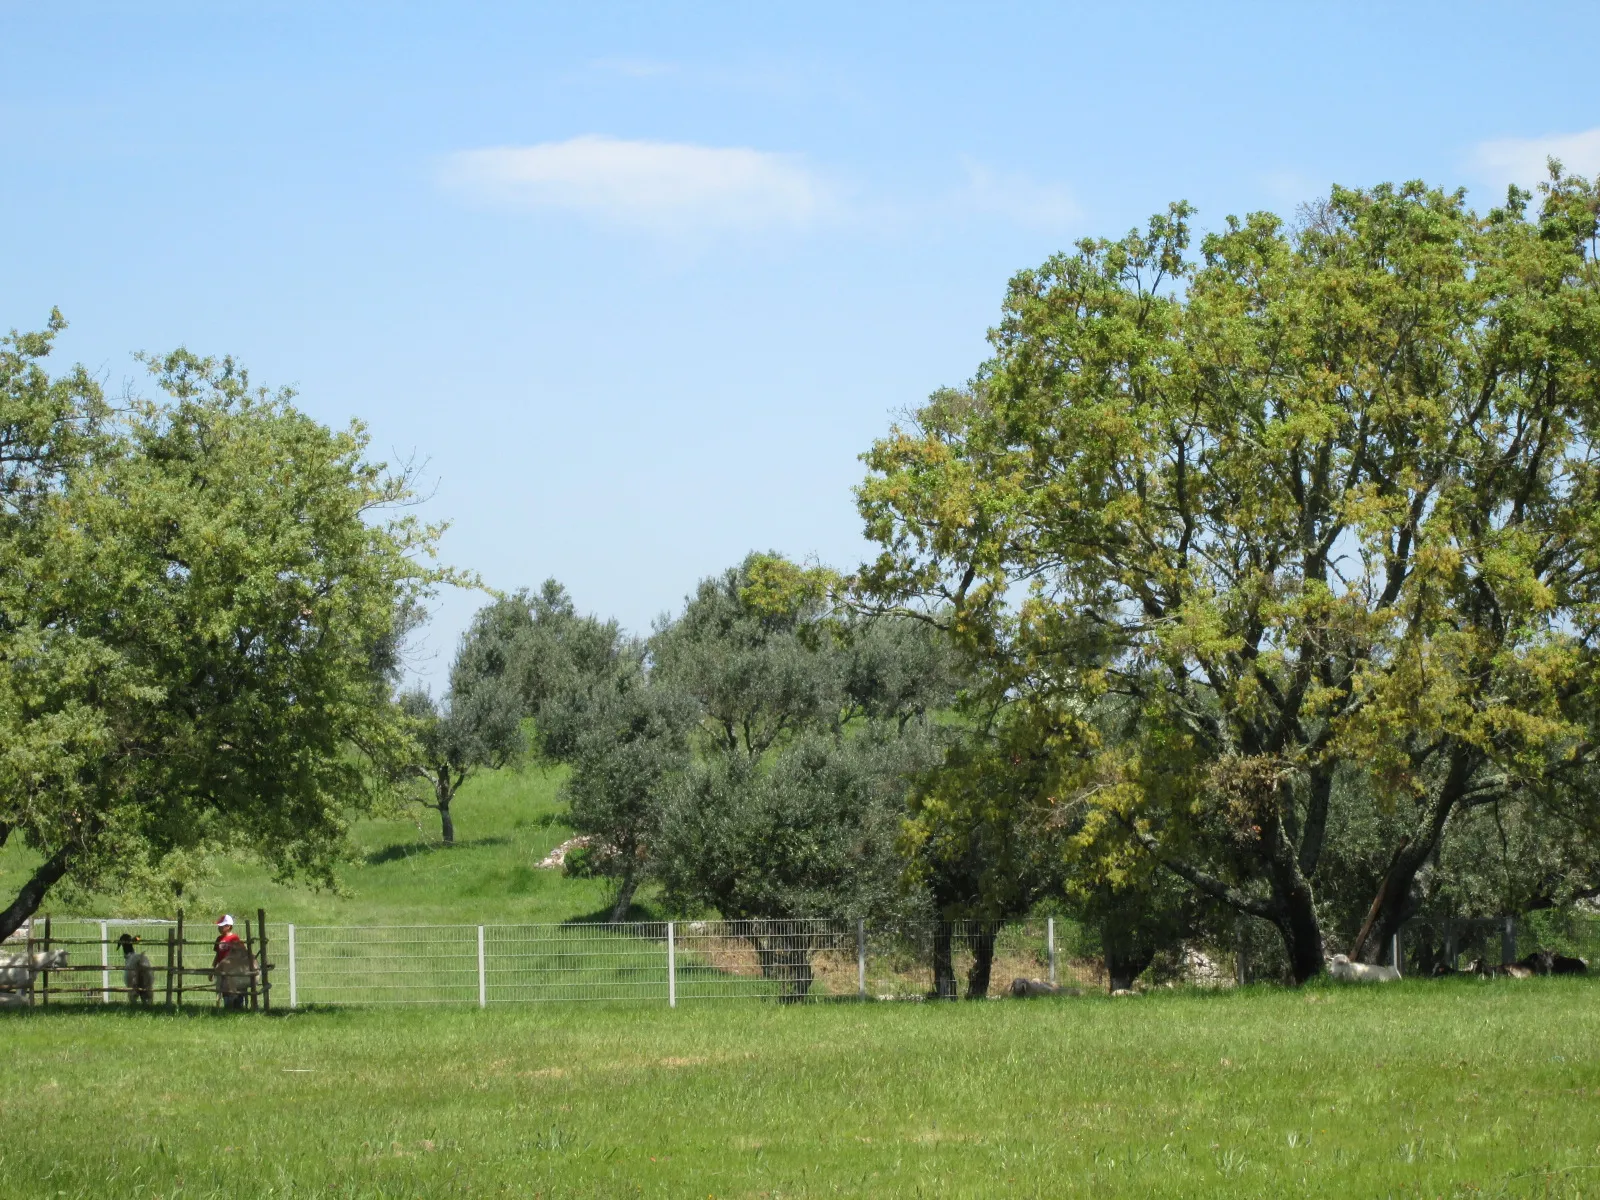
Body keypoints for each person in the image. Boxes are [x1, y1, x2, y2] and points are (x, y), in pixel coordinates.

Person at [212, 914, 251, 1010]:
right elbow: (217, 955)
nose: (219, 928)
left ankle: (238, 1005)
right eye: (219, 926)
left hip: (233, 969)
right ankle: (227, 1006)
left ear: (228, 926)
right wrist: (214, 968)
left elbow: (242, 953)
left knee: (236, 987)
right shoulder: (219, 939)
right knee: (225, 988)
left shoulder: (234, 939)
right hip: (222, 969)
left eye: (222, 926)